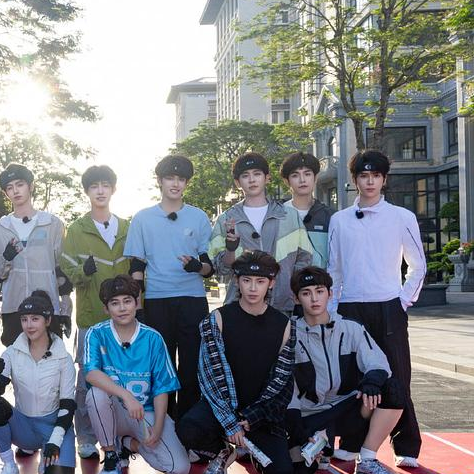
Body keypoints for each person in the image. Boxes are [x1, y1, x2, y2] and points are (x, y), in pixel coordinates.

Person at [327, 149, 426, 468]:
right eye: (364, 176)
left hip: (388, 307)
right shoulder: (339, 220)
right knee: (354, 379)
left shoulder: (402, 217)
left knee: (397, 376)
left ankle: (406, 445)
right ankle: (352, 442)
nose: (370, 182)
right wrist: (332, 310)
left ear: (384, 180)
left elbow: (418, 265)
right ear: (355, 180)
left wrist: (402, 301)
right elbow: (333, 270)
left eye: (376, 176)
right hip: (350, 308)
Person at [176, 251, 297, 474]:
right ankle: (223, 451)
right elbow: (209, 377)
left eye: (260, 281)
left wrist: (252, 417)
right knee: (188, 428)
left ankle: (252, 452)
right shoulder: (218, 319)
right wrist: (230, 422)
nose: (252, 288)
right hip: (221, 407)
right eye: (246, 280)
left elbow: (282, 382)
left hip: (258, 414)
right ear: (237, 281)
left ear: (271, 283)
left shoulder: (284, 324)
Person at [286, 267, 404, 474]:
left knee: (393, 390)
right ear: (296, 298)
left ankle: (367, 460)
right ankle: (322, 446)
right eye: (306, 293)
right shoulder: (289, 333)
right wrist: (294, 425)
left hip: (345, 408)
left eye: (319, 291)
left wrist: (371, 382)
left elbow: (378, 362)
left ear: (330, 293)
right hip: (308, 414)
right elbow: (285, 385)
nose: (314, 299)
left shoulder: (351, 328)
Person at [124, 155, 214, 420]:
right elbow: (136, 268)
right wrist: (138, 309)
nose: (175, 184)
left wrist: (196, 267)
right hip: (157, 300)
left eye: (181, 179)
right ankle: (165, 425)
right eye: (170, 178)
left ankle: (188, 426)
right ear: (160, 181)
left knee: (191, 366)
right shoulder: (142, 219)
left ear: (187, 183)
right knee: (161, 366)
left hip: (192, 299)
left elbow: (209, 267)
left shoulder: (198, 217)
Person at [83, 275, 190, 474]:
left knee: (180, 469)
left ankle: (126, 444)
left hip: (144, 413)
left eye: (127, 301)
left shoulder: (153, 338)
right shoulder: (96, 334)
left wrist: (158, 427)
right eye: (115, 303)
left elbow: (162, 387)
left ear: (137, 303)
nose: (122, 308)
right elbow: (91, 373)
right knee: (96, 394)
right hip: (114, 411)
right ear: (106, 308)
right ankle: (111, 455)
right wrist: (126, 395)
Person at [59, 165, 131, 460]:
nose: (100, 191)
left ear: (113, 189)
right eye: (94, 186)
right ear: (87, 191)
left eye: (105, 185)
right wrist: (83, 271)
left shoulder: (127, 227)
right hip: (90, 319)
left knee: (123, 377)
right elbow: (67, 269)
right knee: (87, 379)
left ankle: (120, 435)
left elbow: (138, 271)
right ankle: (86, 436)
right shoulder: (76, 229)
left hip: (125, 320)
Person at [0, 291, 78, 474]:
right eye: (24, 319)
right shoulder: (12, 352)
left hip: (53, 426)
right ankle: (9, 467)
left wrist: (55, 440)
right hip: (24, 426)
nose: (29, 325)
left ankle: (47, 453)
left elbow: (68, 405)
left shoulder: (64, 358)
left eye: (35, 319)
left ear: (47, 320)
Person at [211, 152, 312, 313]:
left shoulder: (289, 215)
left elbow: (305, 259)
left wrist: (293, 290)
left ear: (267, 178)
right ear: (237, 182)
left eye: (257, 174)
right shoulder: (226, 219)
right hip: (239, 307)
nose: (252, 180)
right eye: (245, 175)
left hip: (282, 306)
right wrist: (230, 250)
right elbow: (217, 268)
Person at [0, 163, 68, 347]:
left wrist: (65, 308)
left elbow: (61, 269)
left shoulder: (53, 224)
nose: (15, 191)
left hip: (48, 307)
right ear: (6, 193)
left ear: (31, 186)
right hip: (14, 308)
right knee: (16, 361)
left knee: (50, 360)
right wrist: (6, 258)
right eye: (10, 187)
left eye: (20, 184)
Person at [281, 152, 333, 269]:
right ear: (287, 181)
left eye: (307, 174)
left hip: (320, 279)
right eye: (295, 175)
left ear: (315, 178)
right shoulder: (277, 215)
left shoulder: (330, 216)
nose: (302, 180)